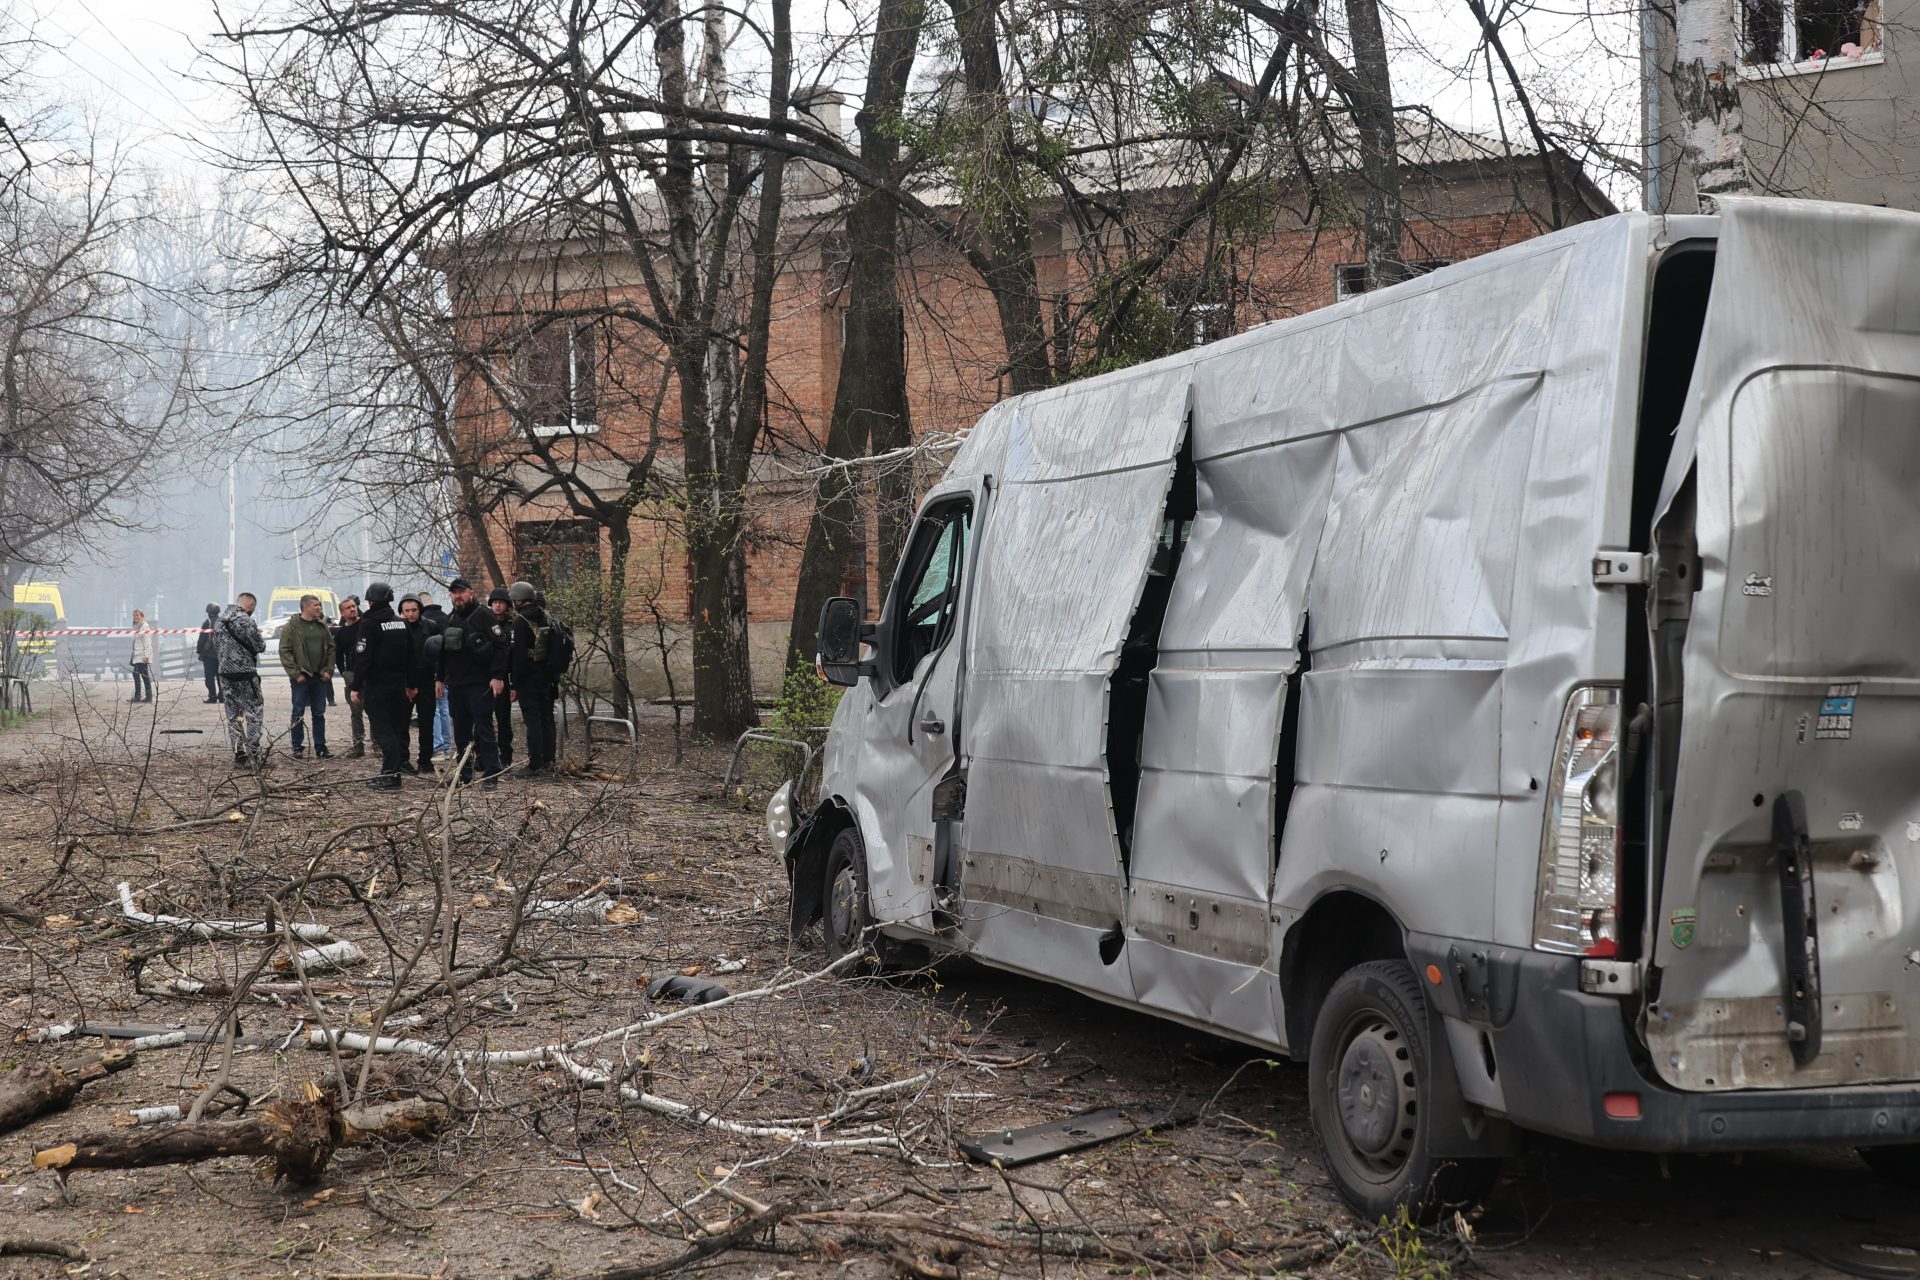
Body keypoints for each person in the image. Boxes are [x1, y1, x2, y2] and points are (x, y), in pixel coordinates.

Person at [436, 578, 504, 789]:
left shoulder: (484, 615)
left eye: (461, 592)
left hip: (479, 683)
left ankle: (492, 773)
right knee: (461, 733)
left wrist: (497, 676)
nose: (458, 596)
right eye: (454, 593)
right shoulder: (449, 619)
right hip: (456, 685)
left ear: (471, 593)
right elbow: (442, 653)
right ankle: (464, 774)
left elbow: (501, 646)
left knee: (484, 729)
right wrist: (439, 679)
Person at [351, 582, 415, 789]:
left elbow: (363, 658)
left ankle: (391, 775)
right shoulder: (401, 623)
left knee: (382, 732)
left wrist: (355, 686)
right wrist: (411, 684)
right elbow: (411, 656)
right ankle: (391, 771)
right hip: (399, 686)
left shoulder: (369, 624)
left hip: (377, 686)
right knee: (396, 730)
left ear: (370, 601)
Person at [506, 580, 562, 776]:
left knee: (533, 721)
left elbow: (519, 655)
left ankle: (534, 764)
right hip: (546, 676)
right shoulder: (546, 616)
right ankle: (549, 760)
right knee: (547, 719)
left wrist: (515, 682)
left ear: (518, 600)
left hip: (529, 678)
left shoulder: (521, 621)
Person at [278, 593, 334, 759]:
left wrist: (328, 670)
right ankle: (297, 747)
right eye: (316, 605)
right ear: (305, 607)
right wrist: (295, 673)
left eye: (319, 605)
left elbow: (331, 649)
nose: (319, 608)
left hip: (320, 677)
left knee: (319, 713)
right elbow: (285, 651)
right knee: (298, 712)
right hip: (301, 678)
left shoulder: (322, 626)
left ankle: (321, 747)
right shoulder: (292, 627)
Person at [215, 593, 266, 765]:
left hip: (225, 674)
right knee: (253, 712)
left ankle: (239, 755)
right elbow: (259, 645)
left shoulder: (219, 621)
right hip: (245, 673)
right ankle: (253, 754)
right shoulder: (245, 620)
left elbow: (216, 646)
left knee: (234, 715)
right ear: (250, 605)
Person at [398, 594, 439, 775]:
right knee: (402, 722)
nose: (410, 614)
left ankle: (425, 759)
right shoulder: (397, 627)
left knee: (427, 722)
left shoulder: (430, 626)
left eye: (414, 610)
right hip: (404, 680)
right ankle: (403, 759)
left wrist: (440, 678)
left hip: (426, 678)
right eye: (407, 611)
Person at [419, 590, 453, 756]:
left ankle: (438, 745)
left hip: (432, 671)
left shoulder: (425, 622)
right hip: (445, 670)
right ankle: (447, 747)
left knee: (435, 710)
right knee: (444, 709)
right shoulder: (446, 617)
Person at [332, 597, 366, 757]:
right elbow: (338, 656)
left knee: (375, 712)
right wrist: (344, 673)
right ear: (342, 612)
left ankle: (378, 745)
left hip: (369, 673)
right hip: (352, 675)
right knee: (355, 712)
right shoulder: (341, 633)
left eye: (354, 606)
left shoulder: (365, 625)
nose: (352, 609)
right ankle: (358, 746)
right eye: (348, 608)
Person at [487, 587, 515, 767]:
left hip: (504, 677)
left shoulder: (512, 626)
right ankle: (483, 756)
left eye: (501, 602)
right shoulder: (485, 622)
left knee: (504, 720)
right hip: (485, 677)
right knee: (483, 718)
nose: (497, 605)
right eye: (495, 602)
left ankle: (506, 756)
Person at [195, 604, 222, 703]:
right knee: (221, 676)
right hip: (221, 654)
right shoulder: (223, 622)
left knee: (209, 677)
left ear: (208, 612)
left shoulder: (207, 623)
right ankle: (222, 696)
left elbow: (202, 640)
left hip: (209, 654)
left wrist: (199, 651)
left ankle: (212, 696)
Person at [128, 609, 155, 703]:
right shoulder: (136, 627)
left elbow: (147, 642)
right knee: (143, 675)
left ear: (142, 616)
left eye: (137, 615)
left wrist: (147, 655)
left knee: (141, 675)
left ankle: (142, 696)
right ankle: (146, 696)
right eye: (134, 615)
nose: (136, 617)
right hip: (136, 655)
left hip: (142, 655)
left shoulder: (145, 626)